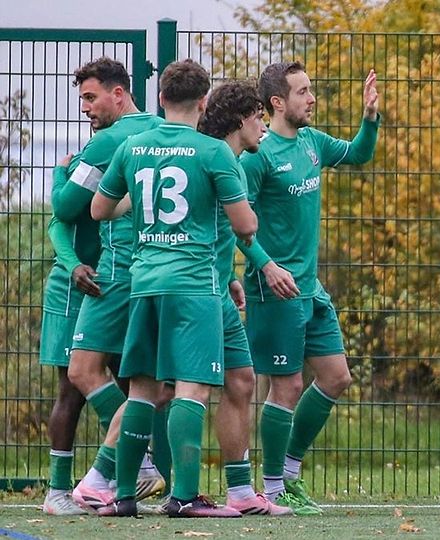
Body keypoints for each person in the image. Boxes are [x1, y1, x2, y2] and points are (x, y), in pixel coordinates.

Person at [91, 59, 258, 518]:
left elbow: (99, 210)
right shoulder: (212, 152)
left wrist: (143, 208)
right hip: (193, 286)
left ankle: (123, 496)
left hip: (143, 283)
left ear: (161, 98)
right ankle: (183, 497)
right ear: (204, 103)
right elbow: (245, 226)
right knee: (192, 390)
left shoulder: (132, 146)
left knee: (142, 390)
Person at [238, 61, 379, 513]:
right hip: (273, 288)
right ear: (277, 102)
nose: (311, 98)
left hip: (310, 288)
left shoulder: (313, 142)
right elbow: (238, 225)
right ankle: (274, 487)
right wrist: (266, 266)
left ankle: (291, 474)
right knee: (287, 386)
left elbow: (359, 154)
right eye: (302, 91)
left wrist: (370, 119)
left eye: (310, 89)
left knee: (337, 376)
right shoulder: (256, 156)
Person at [41, 57, 165, 515]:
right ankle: (67, 487)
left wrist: (59, 173)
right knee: (87, 384)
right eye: (81, 100)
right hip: (87, 279)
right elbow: (61, 224)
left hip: (108, 279)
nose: (85, 109)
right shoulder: (160, 130)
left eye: (91, 97)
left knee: (91, 379)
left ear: (118, 93)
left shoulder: (105, 144)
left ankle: (123, 470)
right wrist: (72, 262)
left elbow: (63, 204)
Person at [196, 80, 292, 516]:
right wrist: (264, 265)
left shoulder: (228, 158)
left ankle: (240, 492)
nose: (264, 129)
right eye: (258, 118)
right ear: (240, 120)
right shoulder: (220, 158)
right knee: (167, 392)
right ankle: (105, 480)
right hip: (193, 293)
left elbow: (215, 231)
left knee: (242, 380)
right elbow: (244, 226)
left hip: (218, 288)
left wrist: (231, 274)